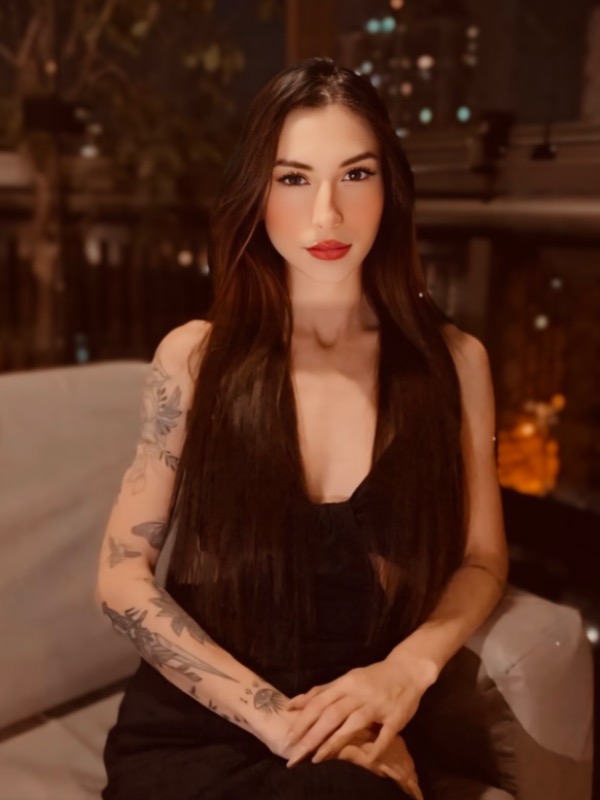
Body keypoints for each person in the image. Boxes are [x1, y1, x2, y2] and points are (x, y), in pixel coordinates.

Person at [97, 57, 508, 800]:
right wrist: (282, 724)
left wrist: (405, 670)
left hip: (362, 710)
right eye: (293, 178)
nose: (327, 214)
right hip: (205, 725)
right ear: (256, 193)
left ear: (391, 188)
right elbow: (121, 579)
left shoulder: (454, 364)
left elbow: (482, 560)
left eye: (356, 175)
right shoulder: (196, 359)